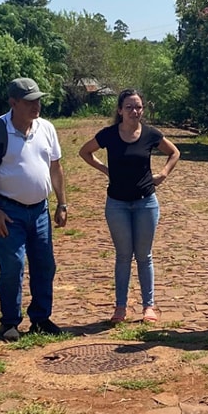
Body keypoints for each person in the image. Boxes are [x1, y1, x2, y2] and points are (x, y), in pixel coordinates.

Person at [0, 77, 68, 342]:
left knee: (44, 265)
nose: (35, 106)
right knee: (13, 265)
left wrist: (62, 203)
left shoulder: (46, 128)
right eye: (29, 102)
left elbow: (56, 167)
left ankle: (41, 317)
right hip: (8, 210)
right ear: (13, 103)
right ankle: (10, 321)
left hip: (40, 210)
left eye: (38, 100)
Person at [78, 89, 180, 324]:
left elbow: (174, 152)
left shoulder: (150, 134)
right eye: (129, 107)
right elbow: (85, 152)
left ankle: (148, 307)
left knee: (144, 256)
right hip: (117, 204)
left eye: (138, 107)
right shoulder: (109, 135)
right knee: (123, 256)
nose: (134, 111)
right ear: (119, 110)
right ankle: (120, 307)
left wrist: (163, 173)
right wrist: (106, 169)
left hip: (146, 202)